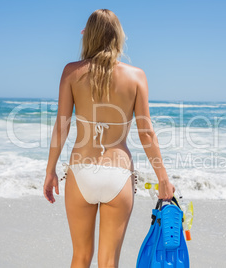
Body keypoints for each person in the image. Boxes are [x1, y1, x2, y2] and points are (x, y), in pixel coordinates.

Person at [43, 9, 175, 268]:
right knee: (108, 261)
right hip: (118, 173)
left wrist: (50, 171)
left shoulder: (71, 72)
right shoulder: (136, 76)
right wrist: (163, 179)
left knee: (80, 257)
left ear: (87, 35)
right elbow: (146, 133)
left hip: (81, 172)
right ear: (119, 36)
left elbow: (62, 126)